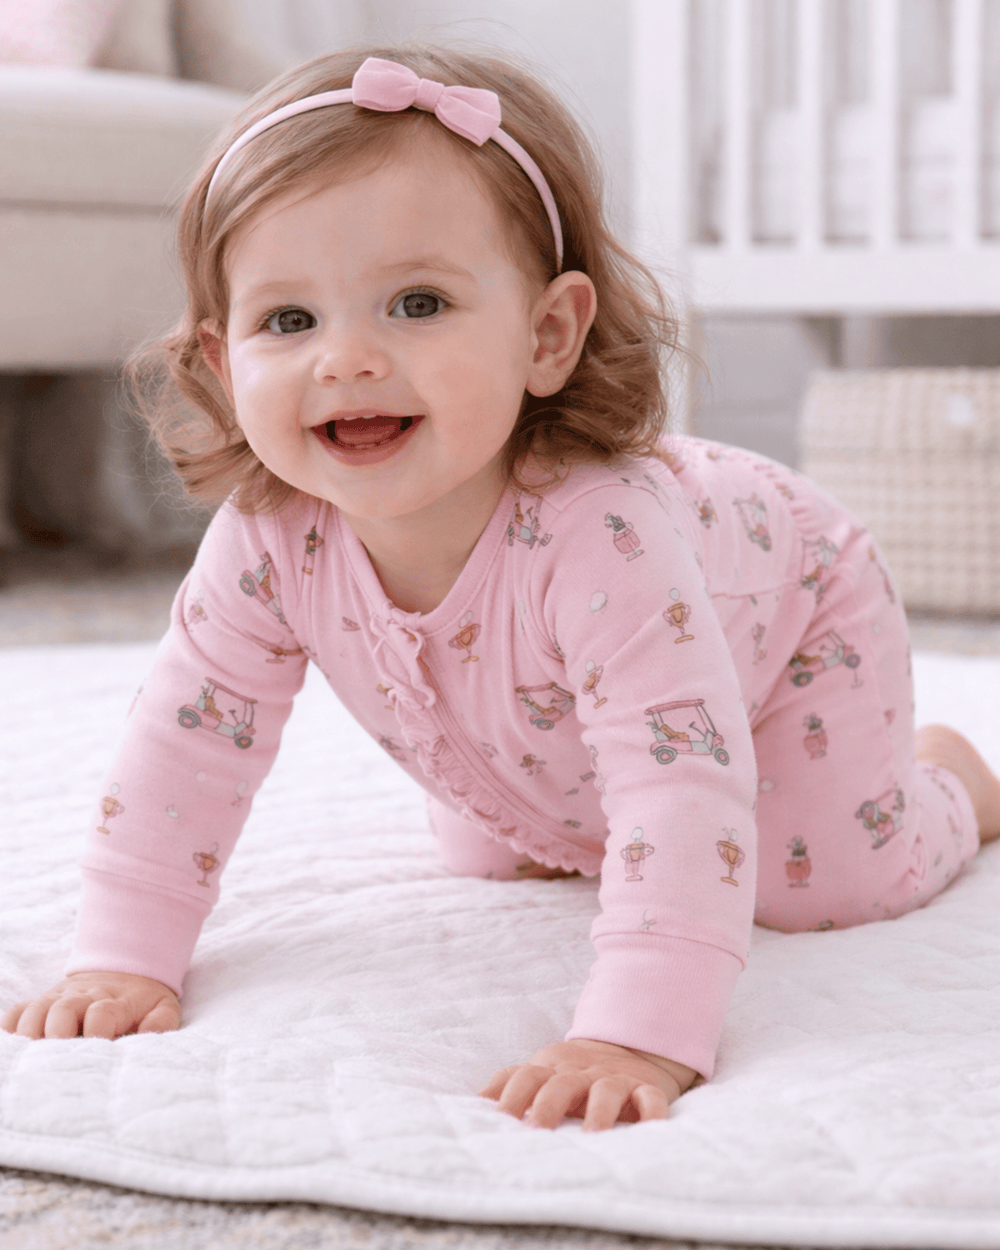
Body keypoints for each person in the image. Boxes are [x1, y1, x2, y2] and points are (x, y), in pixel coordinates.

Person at [5, 45, 1000, 1135]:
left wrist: (639, 1025)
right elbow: (189, 744)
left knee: (821, 881)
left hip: (796, 608)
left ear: (547, 334)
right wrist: (123, 952)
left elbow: (679, 784)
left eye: (417, 301)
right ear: (221, 357)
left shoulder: (599, 535)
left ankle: (952, 782)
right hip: (545, 721)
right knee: (489, 846)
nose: (346, 357)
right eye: (288, 321)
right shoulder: (269, 531)